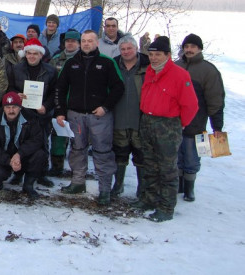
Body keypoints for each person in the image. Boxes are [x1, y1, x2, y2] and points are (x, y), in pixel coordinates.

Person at [55, 30, 124, 205]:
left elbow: (118, 88)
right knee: (77, 150)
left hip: (99, 116)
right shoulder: (71, 64)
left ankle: (104, 189)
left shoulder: (106, 63)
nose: (86, 44)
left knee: (102, 152)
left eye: (90, 41)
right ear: (80, 43)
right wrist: (60, 111)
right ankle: (78, 182)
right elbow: (60, 89)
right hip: (76, 115)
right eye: (84, 41)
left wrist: (105, 107)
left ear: (97, 43)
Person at [135, 36, 198, 222]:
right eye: (151, 54)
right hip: (147, 120)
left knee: (167, 169)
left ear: (168, 55)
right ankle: (149, 199)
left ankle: (166, 207)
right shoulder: (150, 72)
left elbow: (191, 105)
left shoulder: (180, 75)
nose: (153, 58)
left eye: (158, 55)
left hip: (168, 125)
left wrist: (179, 124)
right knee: (149, 164)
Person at [175, 33, 225, 202]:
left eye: (193, 47)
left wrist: (217, 126)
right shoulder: (175, 66)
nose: (189, 50)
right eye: (186, 47)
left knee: (191, 156)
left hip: (196, 122)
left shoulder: (208, 70)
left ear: (199, 49)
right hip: (174, 121)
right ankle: (179, 184)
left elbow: (215, 99)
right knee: (177, 155)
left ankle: (189, 188)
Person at [9, 38, 57, 187]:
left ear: (41, 54)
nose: (32, 56)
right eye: (29, 53)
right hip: (23, 112)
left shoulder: (50, 70)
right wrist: (17, 96)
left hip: (42, 113)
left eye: (35, 53)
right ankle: (18, 173)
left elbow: (54, 93)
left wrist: (46, 107)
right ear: (25, 54)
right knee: (20, 142)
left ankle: (41, 174)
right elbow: (10, 88)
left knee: (43, 143)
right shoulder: (16, 69)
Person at [0, 92, 48, 198]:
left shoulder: (31, 118)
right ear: (3, 108)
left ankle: (28, 185)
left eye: (14, 107)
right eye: (8, 107)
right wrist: (9, 161)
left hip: (23, 155)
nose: (11, 110)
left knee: (40, 155)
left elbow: (36, 140)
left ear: (20, 107)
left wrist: (19, 154)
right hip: (4, 157)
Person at [111, 34, 149, 198]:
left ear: (136, 49)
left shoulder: (147, 67)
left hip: (140, 119)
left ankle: (142, 189)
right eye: (123, 49)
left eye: (129, 48)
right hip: (119, 118)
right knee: (120, 154)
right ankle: (118, 185)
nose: (126, 52)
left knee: (141, 155)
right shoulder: (114, 66)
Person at [48, 29, 80, 176]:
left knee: (78, 139)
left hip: (77, 104)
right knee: (58, 137)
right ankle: (57, 167)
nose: (70, 43)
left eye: (73, 41)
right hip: (58, 103)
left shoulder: (83, 59)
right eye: (68, 41)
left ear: (78, 43)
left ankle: (78, 170)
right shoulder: (56, 59)